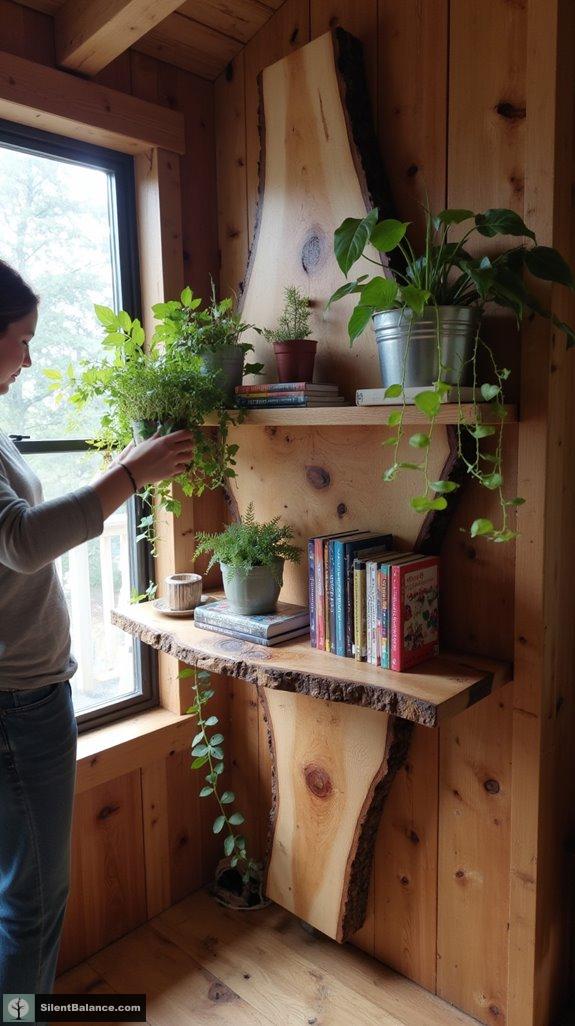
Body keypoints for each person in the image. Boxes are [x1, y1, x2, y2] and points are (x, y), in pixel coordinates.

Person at [0, 259, 193, 1005]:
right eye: (21, 339)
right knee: (33, 904)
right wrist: (131, 473)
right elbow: (18, 540)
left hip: (21, 697)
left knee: (22, 895)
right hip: (19, 704)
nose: (28, 357)